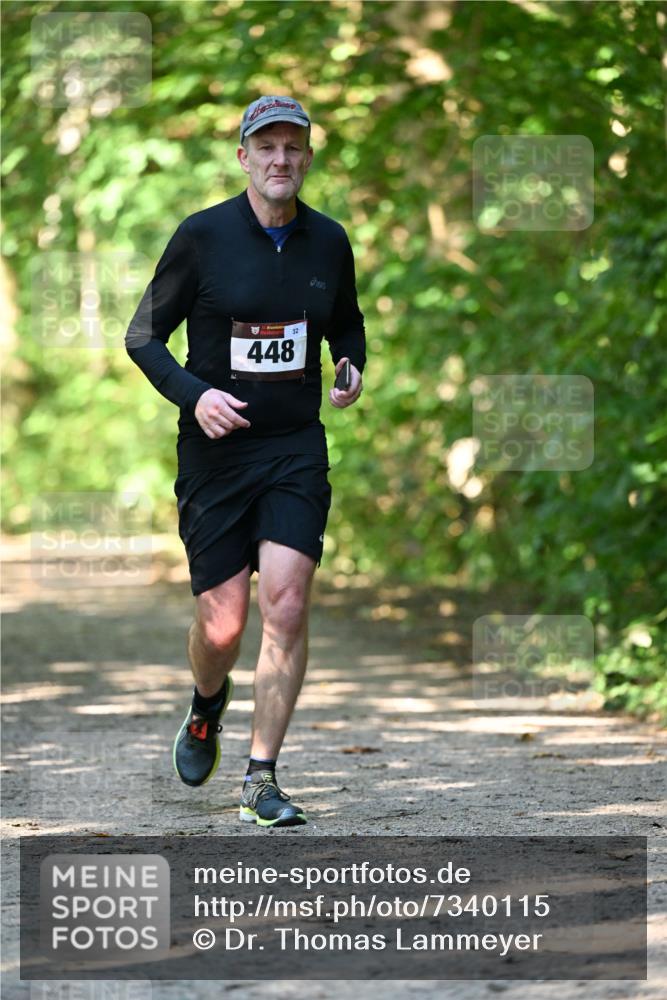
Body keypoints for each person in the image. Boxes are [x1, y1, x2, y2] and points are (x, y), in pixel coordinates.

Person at [125, 96, 365, 828]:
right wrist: (195, 396)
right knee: (223, 629)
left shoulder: (330, 241)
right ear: (243, 157)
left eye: (293, 147)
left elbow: (347, 324)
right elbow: (142, 337)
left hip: (294, 448)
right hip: (216, 456)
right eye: (266, 147)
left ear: (308, 158)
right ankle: (206, 706)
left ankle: (261, 778)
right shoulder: (201, 237)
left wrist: (350, 364)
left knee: (286, 605)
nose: (280, 159)